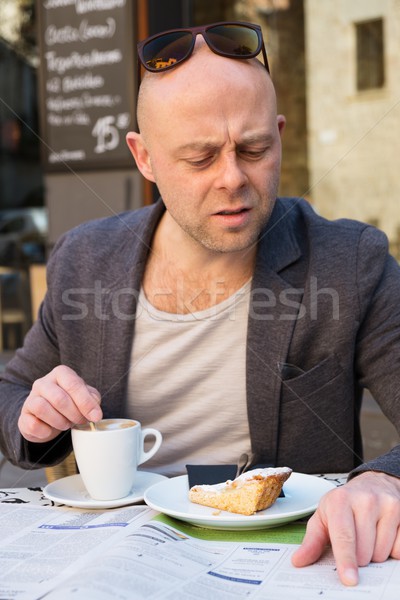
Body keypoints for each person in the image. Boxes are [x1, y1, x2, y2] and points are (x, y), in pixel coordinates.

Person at [1, 21, 400, 587]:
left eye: (254, 148)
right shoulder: (84, 260)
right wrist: (35, 417)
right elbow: (11, 396)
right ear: (144, 159)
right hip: (114, 565)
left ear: (280, 136)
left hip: (284, 566)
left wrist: (387, 479)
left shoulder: (349, 262)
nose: (232, 178)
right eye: (199, 158)